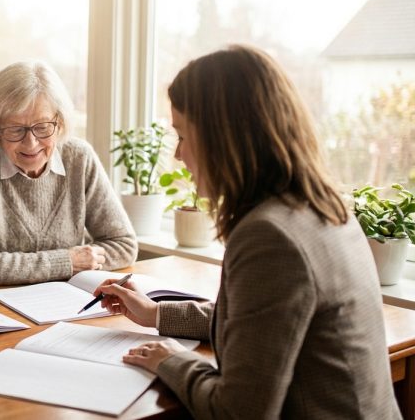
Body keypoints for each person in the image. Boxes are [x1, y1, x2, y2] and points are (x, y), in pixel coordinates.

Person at [96, 45, 400, 419]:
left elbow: (237, 412)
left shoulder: (271, 237)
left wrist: (171, 361)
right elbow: (260, 324)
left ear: (223, 137)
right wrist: (156, 314)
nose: (178, 155)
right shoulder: (321, 208)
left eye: (183, 135)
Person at [0, 61, 137, 286]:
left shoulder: (78, 157)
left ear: (59, 123)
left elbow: (124, 245)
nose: (31, 143)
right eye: (15, 129)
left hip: (63, 303)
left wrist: (84, 260)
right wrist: (65, 262)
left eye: (42, 127)